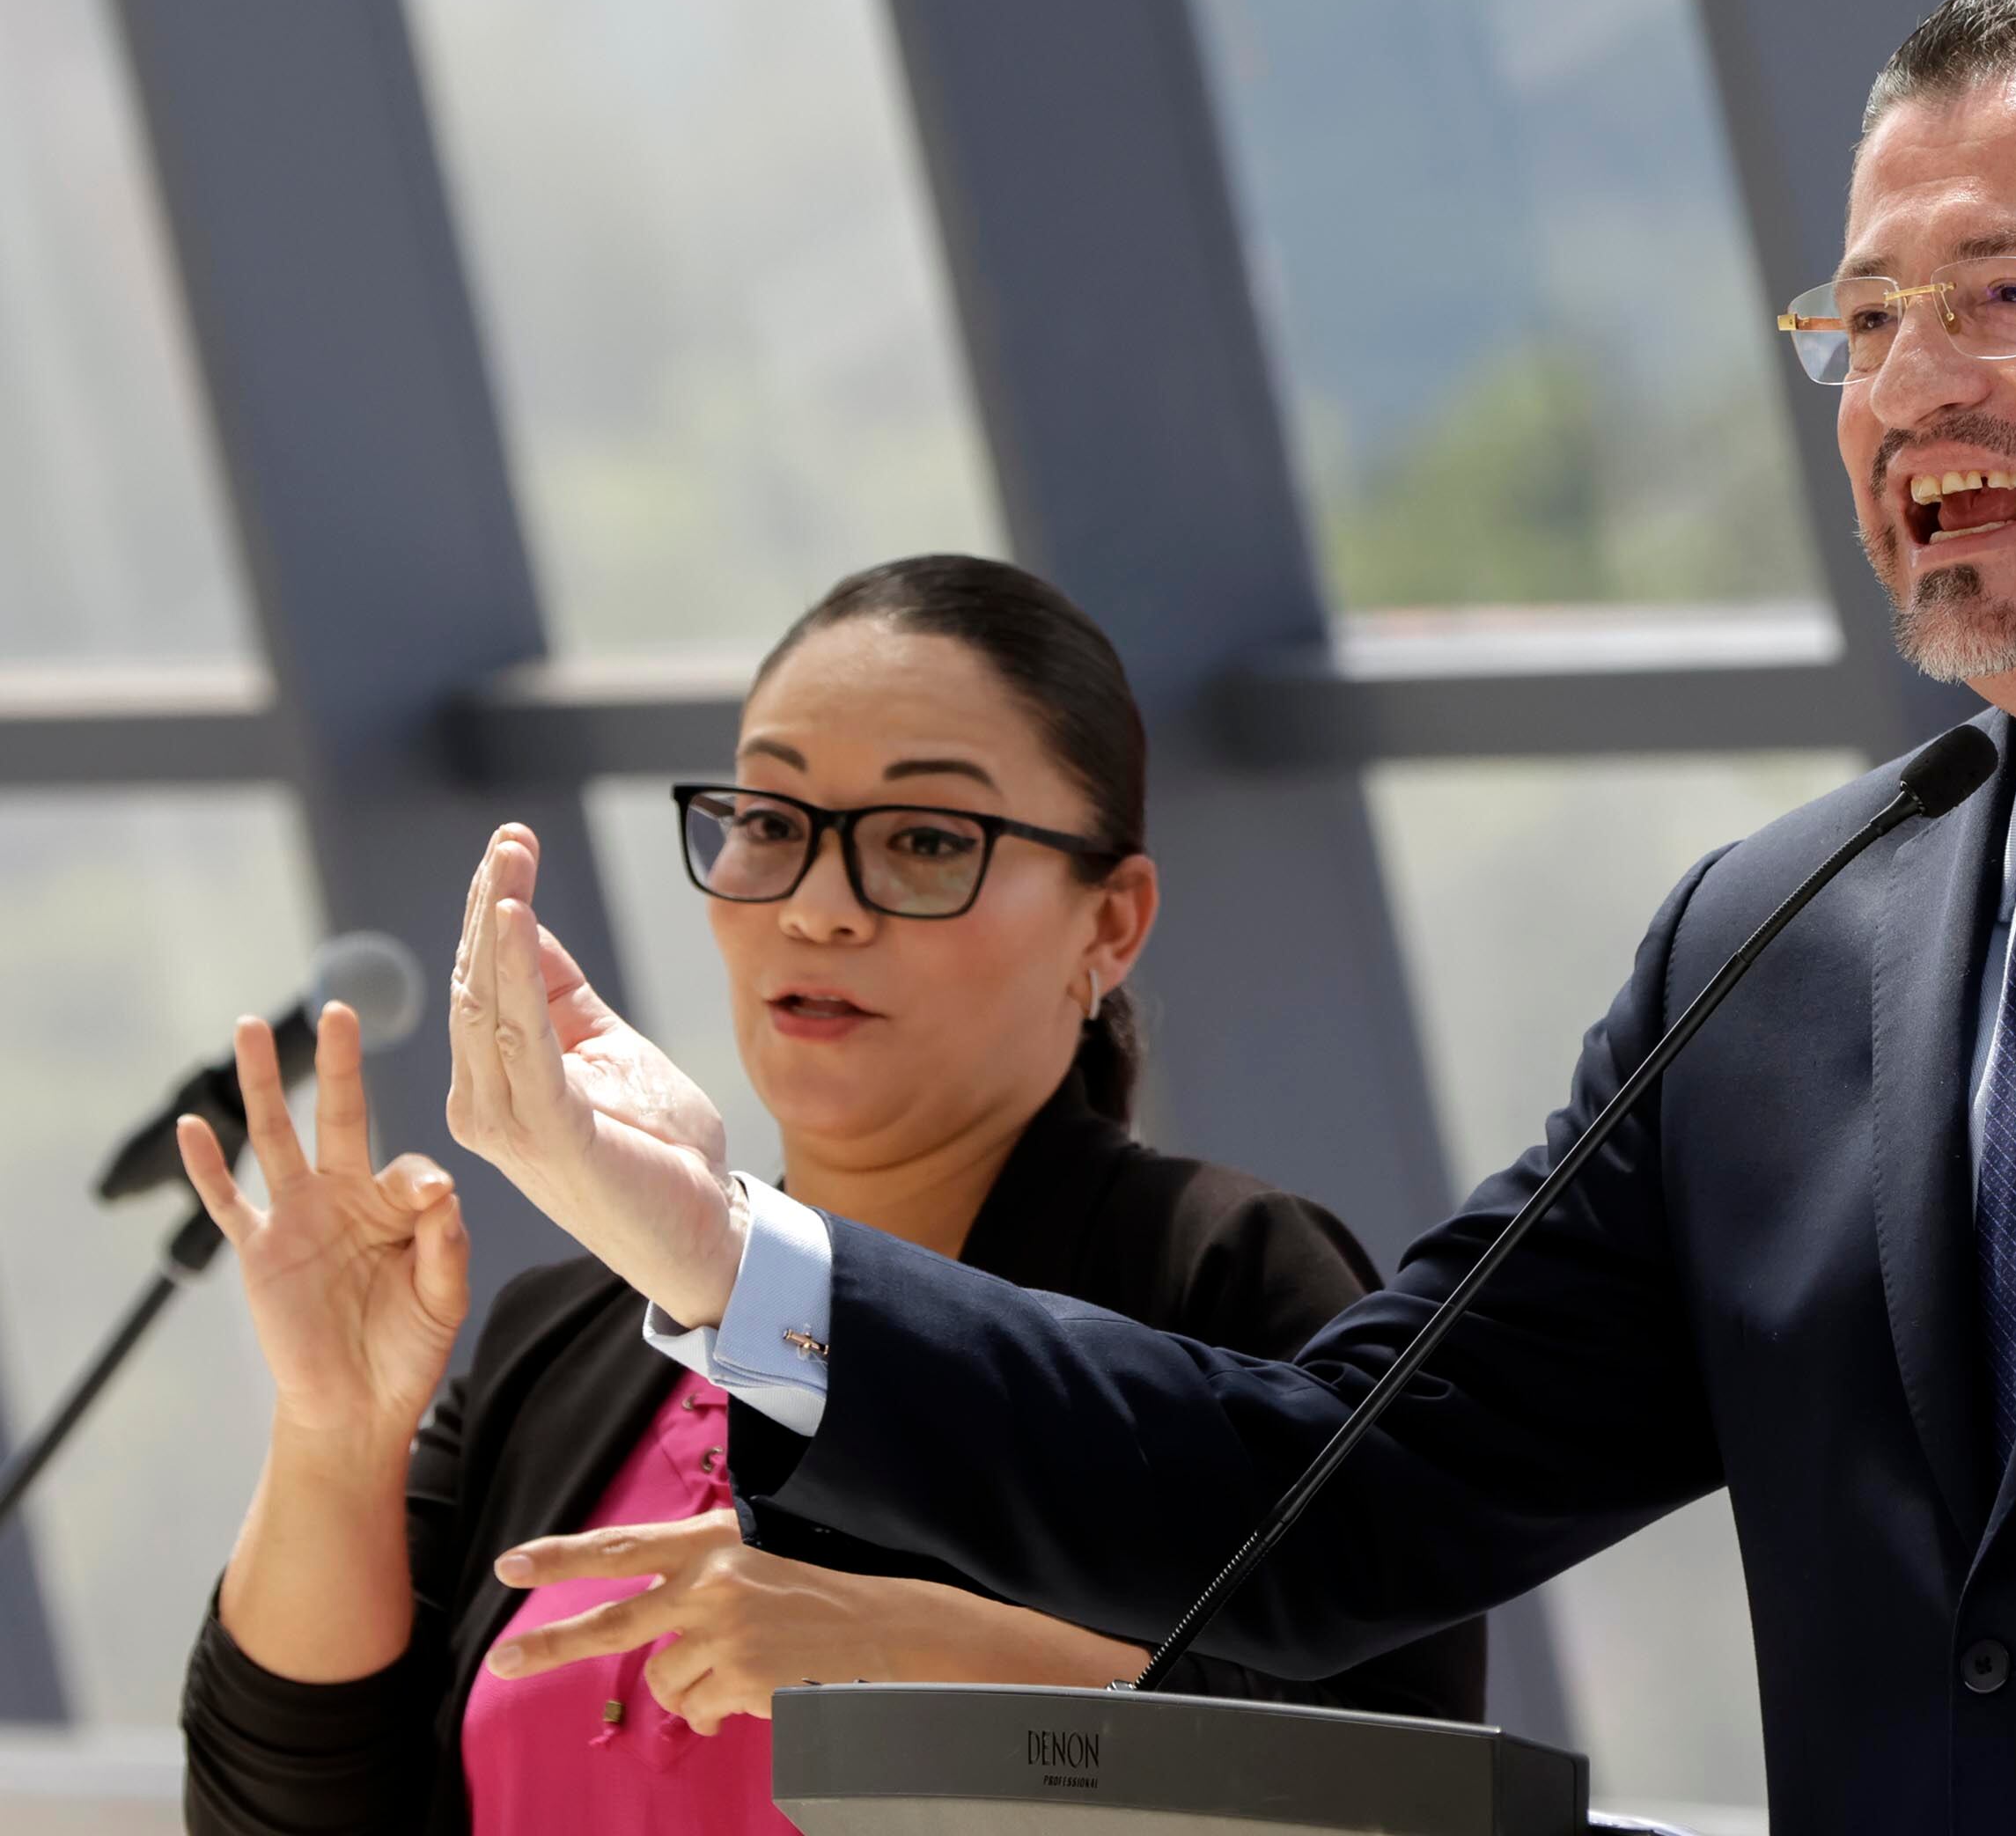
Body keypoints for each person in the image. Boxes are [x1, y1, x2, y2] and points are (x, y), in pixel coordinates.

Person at [439, 0, 2016, 1831]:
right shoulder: (1790, 941)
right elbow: (1309, 1504)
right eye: (1862, 322)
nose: (1908, 394)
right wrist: (727, 1251)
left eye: (2013, 299)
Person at [173, 555, 1482, 1836]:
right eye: (772, 825)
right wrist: (336, 1437)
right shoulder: (561, 1333)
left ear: (1112, 923)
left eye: (923, 842)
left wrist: (903, 1645)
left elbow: (1399, 1786)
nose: (819, 907)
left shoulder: (1221, 1280)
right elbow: (285, 1809)